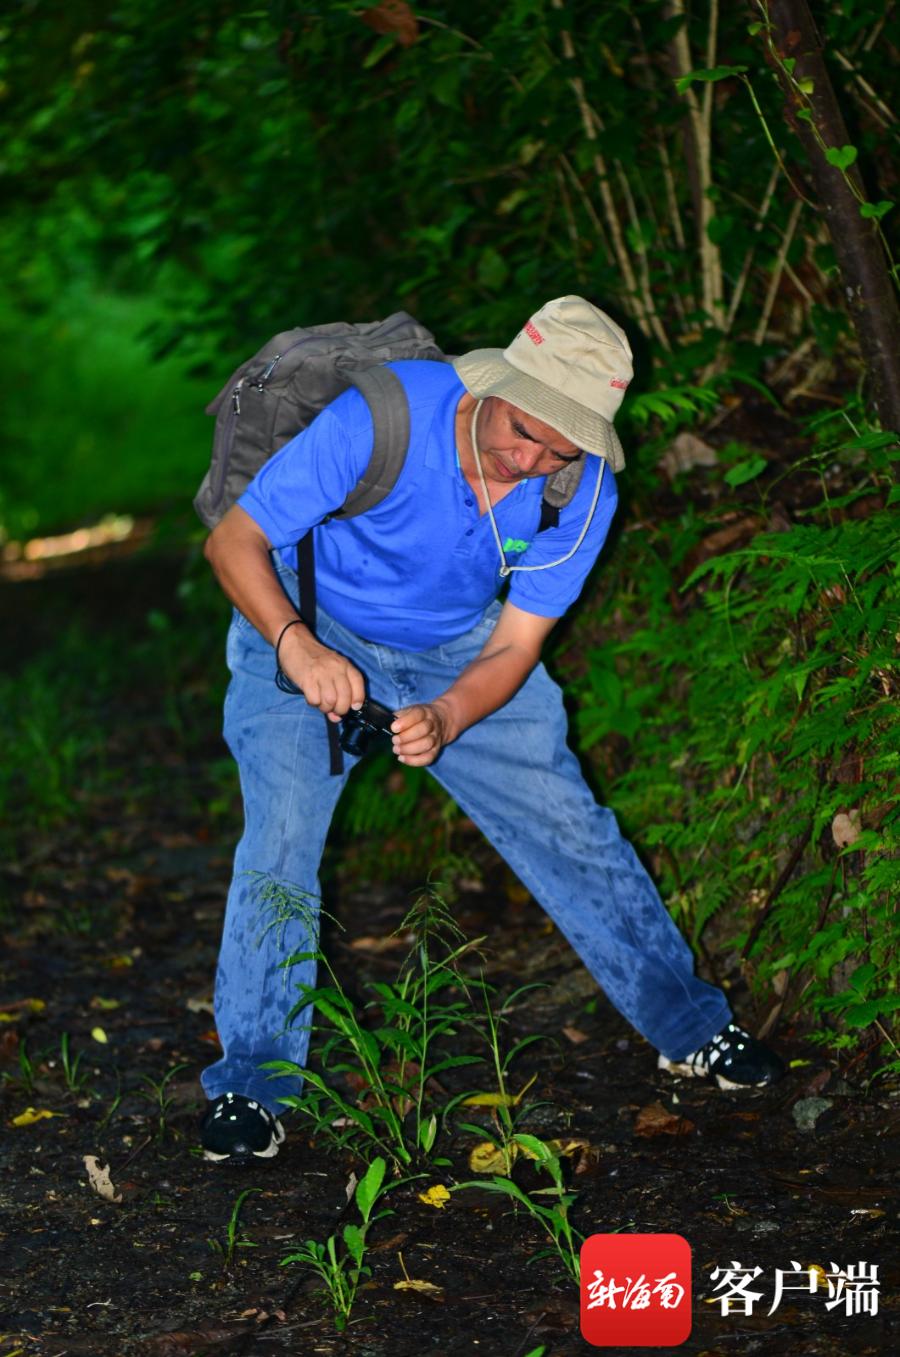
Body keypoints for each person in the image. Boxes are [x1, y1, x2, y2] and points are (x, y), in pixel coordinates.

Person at [198, 296, 784, 1163]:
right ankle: (252, 1084)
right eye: (524, 431)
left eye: (563, 446)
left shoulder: (578, 493)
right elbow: (234, 543)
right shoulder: (384, 415)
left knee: (570, 826)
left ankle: (690, 1024)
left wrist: (449, 714)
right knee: (280, 842)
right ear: (493, 386)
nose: (534, 459)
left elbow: (515, 643)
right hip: (306, 618)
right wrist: (298, 646)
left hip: (458, 650)